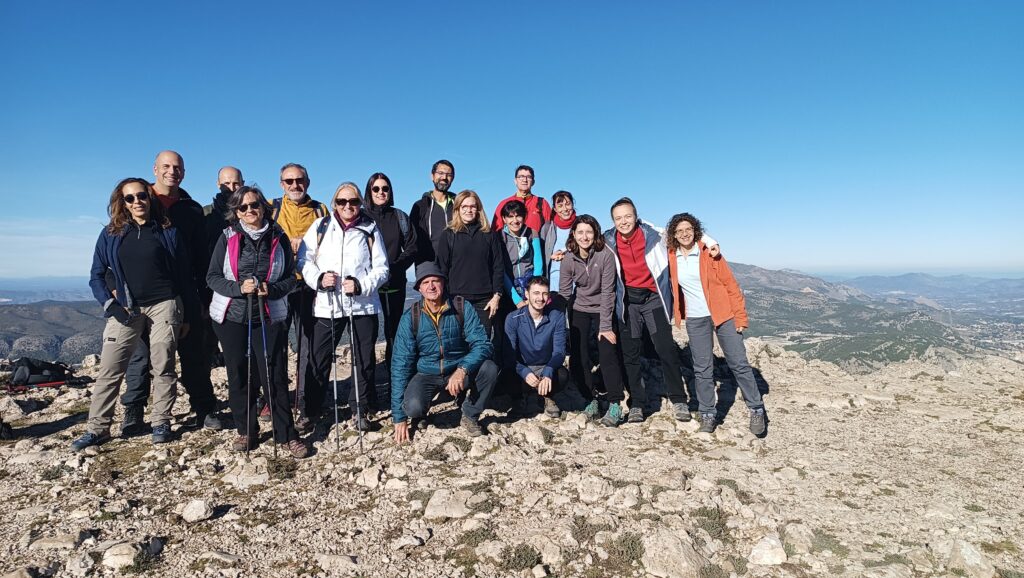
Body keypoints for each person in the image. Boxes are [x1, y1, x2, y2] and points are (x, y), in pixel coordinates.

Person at [75, 178, 198, 450]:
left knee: (163, 365)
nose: (136, 202)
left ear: (149, 197)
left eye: (141, 196)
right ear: (122, 203)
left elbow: (184, 275)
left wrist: (188, 314)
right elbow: (96, 275)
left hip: (165, 303)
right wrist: (110, 305)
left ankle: (161, 422)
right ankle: (97, 428)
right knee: (110, 368)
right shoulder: (111, 234)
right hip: (126, 309)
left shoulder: (167, 231)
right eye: (129, 198)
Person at [121, 151, 221, 434]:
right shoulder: (138, 201)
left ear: (184, 172)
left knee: (194, 353)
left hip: (185, 288)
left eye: (177, 167)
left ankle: (204, 407)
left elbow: (201, 256)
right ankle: (134, 411)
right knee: (141, 356)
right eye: (166, 166)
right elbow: (117, 247)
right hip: (143, 294)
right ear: (155, 169)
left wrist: (203, 297)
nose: (172, 172)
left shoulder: (190, 209)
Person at [207, 186, 307, 457]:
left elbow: (289, 278)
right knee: (239, 374)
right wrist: (240, 288)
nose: (250, 211)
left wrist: (270, 290)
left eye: (254, 205)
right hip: (231, 317)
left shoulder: (278, 237)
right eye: (243, 207)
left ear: (263, 207)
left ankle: (286, 434)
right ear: (236, 211)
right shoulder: (227, 237)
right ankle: (246, 430)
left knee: (273, 374)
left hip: (268, 315)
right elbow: (213, 277)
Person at [603, 197, 719, 424]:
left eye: (628, 216)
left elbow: (683, 230)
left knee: (666, 350)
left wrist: (709, 240)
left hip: (653, 299)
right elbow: (583, 242)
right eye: (618, 218)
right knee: (631, 354)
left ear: (636, 216)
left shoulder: (654, 235)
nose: (624, 221)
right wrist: (562, 254)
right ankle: (637, 403)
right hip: (628, 303)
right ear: (613, 221)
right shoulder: (607, 239)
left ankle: (678, 400)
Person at [299, 182, 389, 432]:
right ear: (334, 204)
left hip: (362, 306)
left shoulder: (370, 229)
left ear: (360, 203)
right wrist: (318, 279)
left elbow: (382, 268)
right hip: (328, 305)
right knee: (318, 358)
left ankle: (359, 409)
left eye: (353, 201)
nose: (348, 206)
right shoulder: (320, 227)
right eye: (342, 202)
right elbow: (303, 260)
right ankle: (310, 410)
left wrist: (362, 285)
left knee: (363, 360)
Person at [666, 213, 767, 436]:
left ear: (696, 231)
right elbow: (652, 228)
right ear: (673, 234)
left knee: (738, 362)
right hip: (695, 317)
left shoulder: (709, 253)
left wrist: (740, 317)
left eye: (688, 229)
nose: (684, 234)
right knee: (702, 368)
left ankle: (756, 408)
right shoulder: (671, 255)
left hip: (723, 314)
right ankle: (708, 414)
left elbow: (731, 284)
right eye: (679, 231)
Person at [391, 263, 498, 441]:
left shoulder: (461, 307)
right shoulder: (411, 317)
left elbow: (483, 344)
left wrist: (462, 369)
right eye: (425, 282)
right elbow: (400, 364)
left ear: (443, 283)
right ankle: (421, 414)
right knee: (412, 407)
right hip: (427, 372)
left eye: (435, 281)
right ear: (419, 288)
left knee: (490, 368)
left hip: (457, 369)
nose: (431, 286)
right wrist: (399, 417)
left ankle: (470, 415)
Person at [269, 163, 329, 425]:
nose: (295, 185)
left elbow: (330, 244)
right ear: (282, 184)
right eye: (289, 181)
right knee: (275, 345)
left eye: (299, 180)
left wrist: (303, 244)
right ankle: (275, 400)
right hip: (278, 286)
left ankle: (304, 402)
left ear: (308, 181)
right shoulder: (271, 208)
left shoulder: (321, 209)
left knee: (307, 345)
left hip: (309, 285)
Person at [560, 214, 627, 426]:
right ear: (573, 234)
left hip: (602, 309)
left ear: (595, 233)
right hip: (579, 308)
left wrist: (606, 325)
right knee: (580, 357)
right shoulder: (568, 258)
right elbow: (564, 293)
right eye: (580, 232)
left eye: (589, 232)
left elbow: (609, 291)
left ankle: (615, 402)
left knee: (608, 353)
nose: (585, 236)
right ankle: (591, 400)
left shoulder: (605, 255)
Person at [363, 172, 418, 403]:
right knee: (367, 339)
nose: (381, 193)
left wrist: (394, 269)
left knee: (395, 337)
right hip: (367, 290)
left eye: (385, 188)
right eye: (376, 189)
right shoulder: (361, 217)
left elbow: (413, 247)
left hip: (395, 285)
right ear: (369, 191)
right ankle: (369, 393)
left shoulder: (400, 217)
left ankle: (397, 386)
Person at [435, 190, 504, 339]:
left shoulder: (489, 234)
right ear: (457, 209)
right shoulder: (448, 235)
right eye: (464, 206)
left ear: (478, 209)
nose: (469, 210)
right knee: (457, 343)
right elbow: (441, 269)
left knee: (481, 342)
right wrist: (442, 299)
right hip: (456, 299)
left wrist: (496, 296)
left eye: (473, 206)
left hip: (484, 301)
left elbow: (498, 266)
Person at [503, 276, 569, 419]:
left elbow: (559, 352)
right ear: (527, 294)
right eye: (536, 293)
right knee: (506, 373)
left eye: (544, 294)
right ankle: (518, 399)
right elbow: (509, 355)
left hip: (545, 365)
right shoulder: (513, 318)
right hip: (522, 367)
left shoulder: (557, 317)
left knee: (562, 375)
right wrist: (524, 371)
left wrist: (548, 371)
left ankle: (548, 397)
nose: (540, 298)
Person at [202, 166, 245, 369]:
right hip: (211, 283)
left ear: (242, 184)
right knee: (208, 339)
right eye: (226, 183)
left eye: (236, 183)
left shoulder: (250, 211)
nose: (231, 187)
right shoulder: (205, 215)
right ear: (218, 185)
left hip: (242, 286)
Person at [497, 200, 544, 309]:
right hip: (507, 289)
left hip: (529, 288)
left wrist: (534, 292)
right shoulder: (499, 237)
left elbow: (538, 263)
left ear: (524, 217)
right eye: (510, 217)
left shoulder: (532, 233)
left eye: (518, 216)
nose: (515, 220)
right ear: (504, 219)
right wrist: (517, 300)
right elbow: (501, 270)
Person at [409, 160, 456, 265]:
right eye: (440, 173)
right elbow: (411, 239)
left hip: (456, 267)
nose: (444, 177)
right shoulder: (420, 206)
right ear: (432, 176)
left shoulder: (459, 206)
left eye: (449, 175)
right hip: (429, 266)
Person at [492, 165, 553, 234]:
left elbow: (551, 231)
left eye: (529, 177)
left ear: (533, 182)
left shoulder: (542, 204)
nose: (525, 180)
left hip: (536, 243)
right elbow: (495, 230)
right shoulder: (504, 203)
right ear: (515, 181)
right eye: (521, 176)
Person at [540, 190, 576, 297]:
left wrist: (565, 251)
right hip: (554, 282)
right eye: (560, 206)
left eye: (568, 204)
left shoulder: (581, 225)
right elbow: (541, 253)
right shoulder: (547, 228)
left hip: (577, 281)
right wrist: (549, 257)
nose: (565, 209)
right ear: (555, 209)